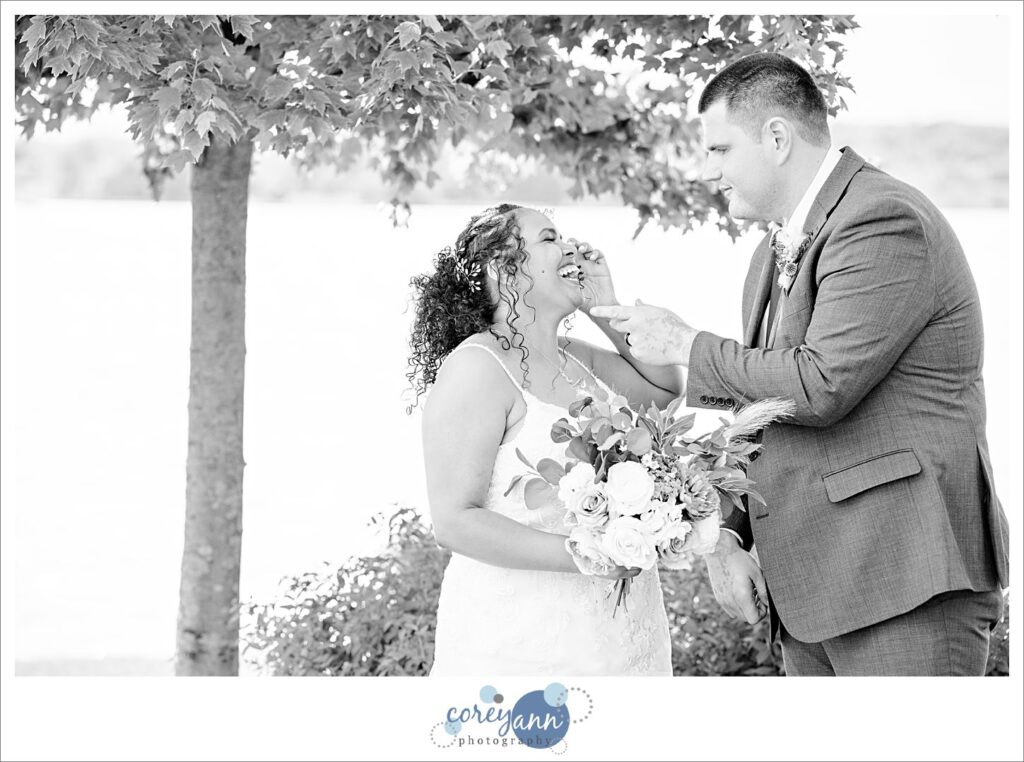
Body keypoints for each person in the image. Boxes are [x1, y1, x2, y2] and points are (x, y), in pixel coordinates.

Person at [591, 53, 1008, 676]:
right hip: (813, 590)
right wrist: (728, 534)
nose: (709, 173)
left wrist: (684, 343)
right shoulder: (772, 250)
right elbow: (763, 406)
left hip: (902, 579)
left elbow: (819, 384)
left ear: (777, 138)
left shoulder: (882, 218)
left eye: (720, 150)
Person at [408, 204, 682, 675]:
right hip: (526, 641)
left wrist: (602, 306)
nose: (570, 247)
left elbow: (664, 392)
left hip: (621, 631)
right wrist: (590, 555)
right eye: (550, 238)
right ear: (504, 268)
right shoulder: (477, 368)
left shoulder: (574, 357)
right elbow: (453, 521)